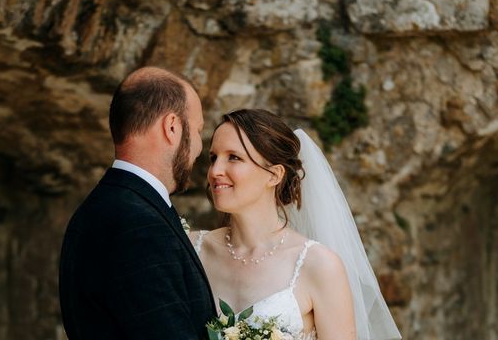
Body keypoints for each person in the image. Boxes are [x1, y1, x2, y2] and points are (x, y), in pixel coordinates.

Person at [192, 109, 401, 340]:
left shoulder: (319, 265)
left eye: (234, 157)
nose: (215, 171)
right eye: (213, 158)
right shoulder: (192, 249)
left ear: (274, 175)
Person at [59, 67, 215, 340]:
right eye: (198, 130)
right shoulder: (138, 225)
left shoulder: (103, 206)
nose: (198, 149)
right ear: (172, 127)